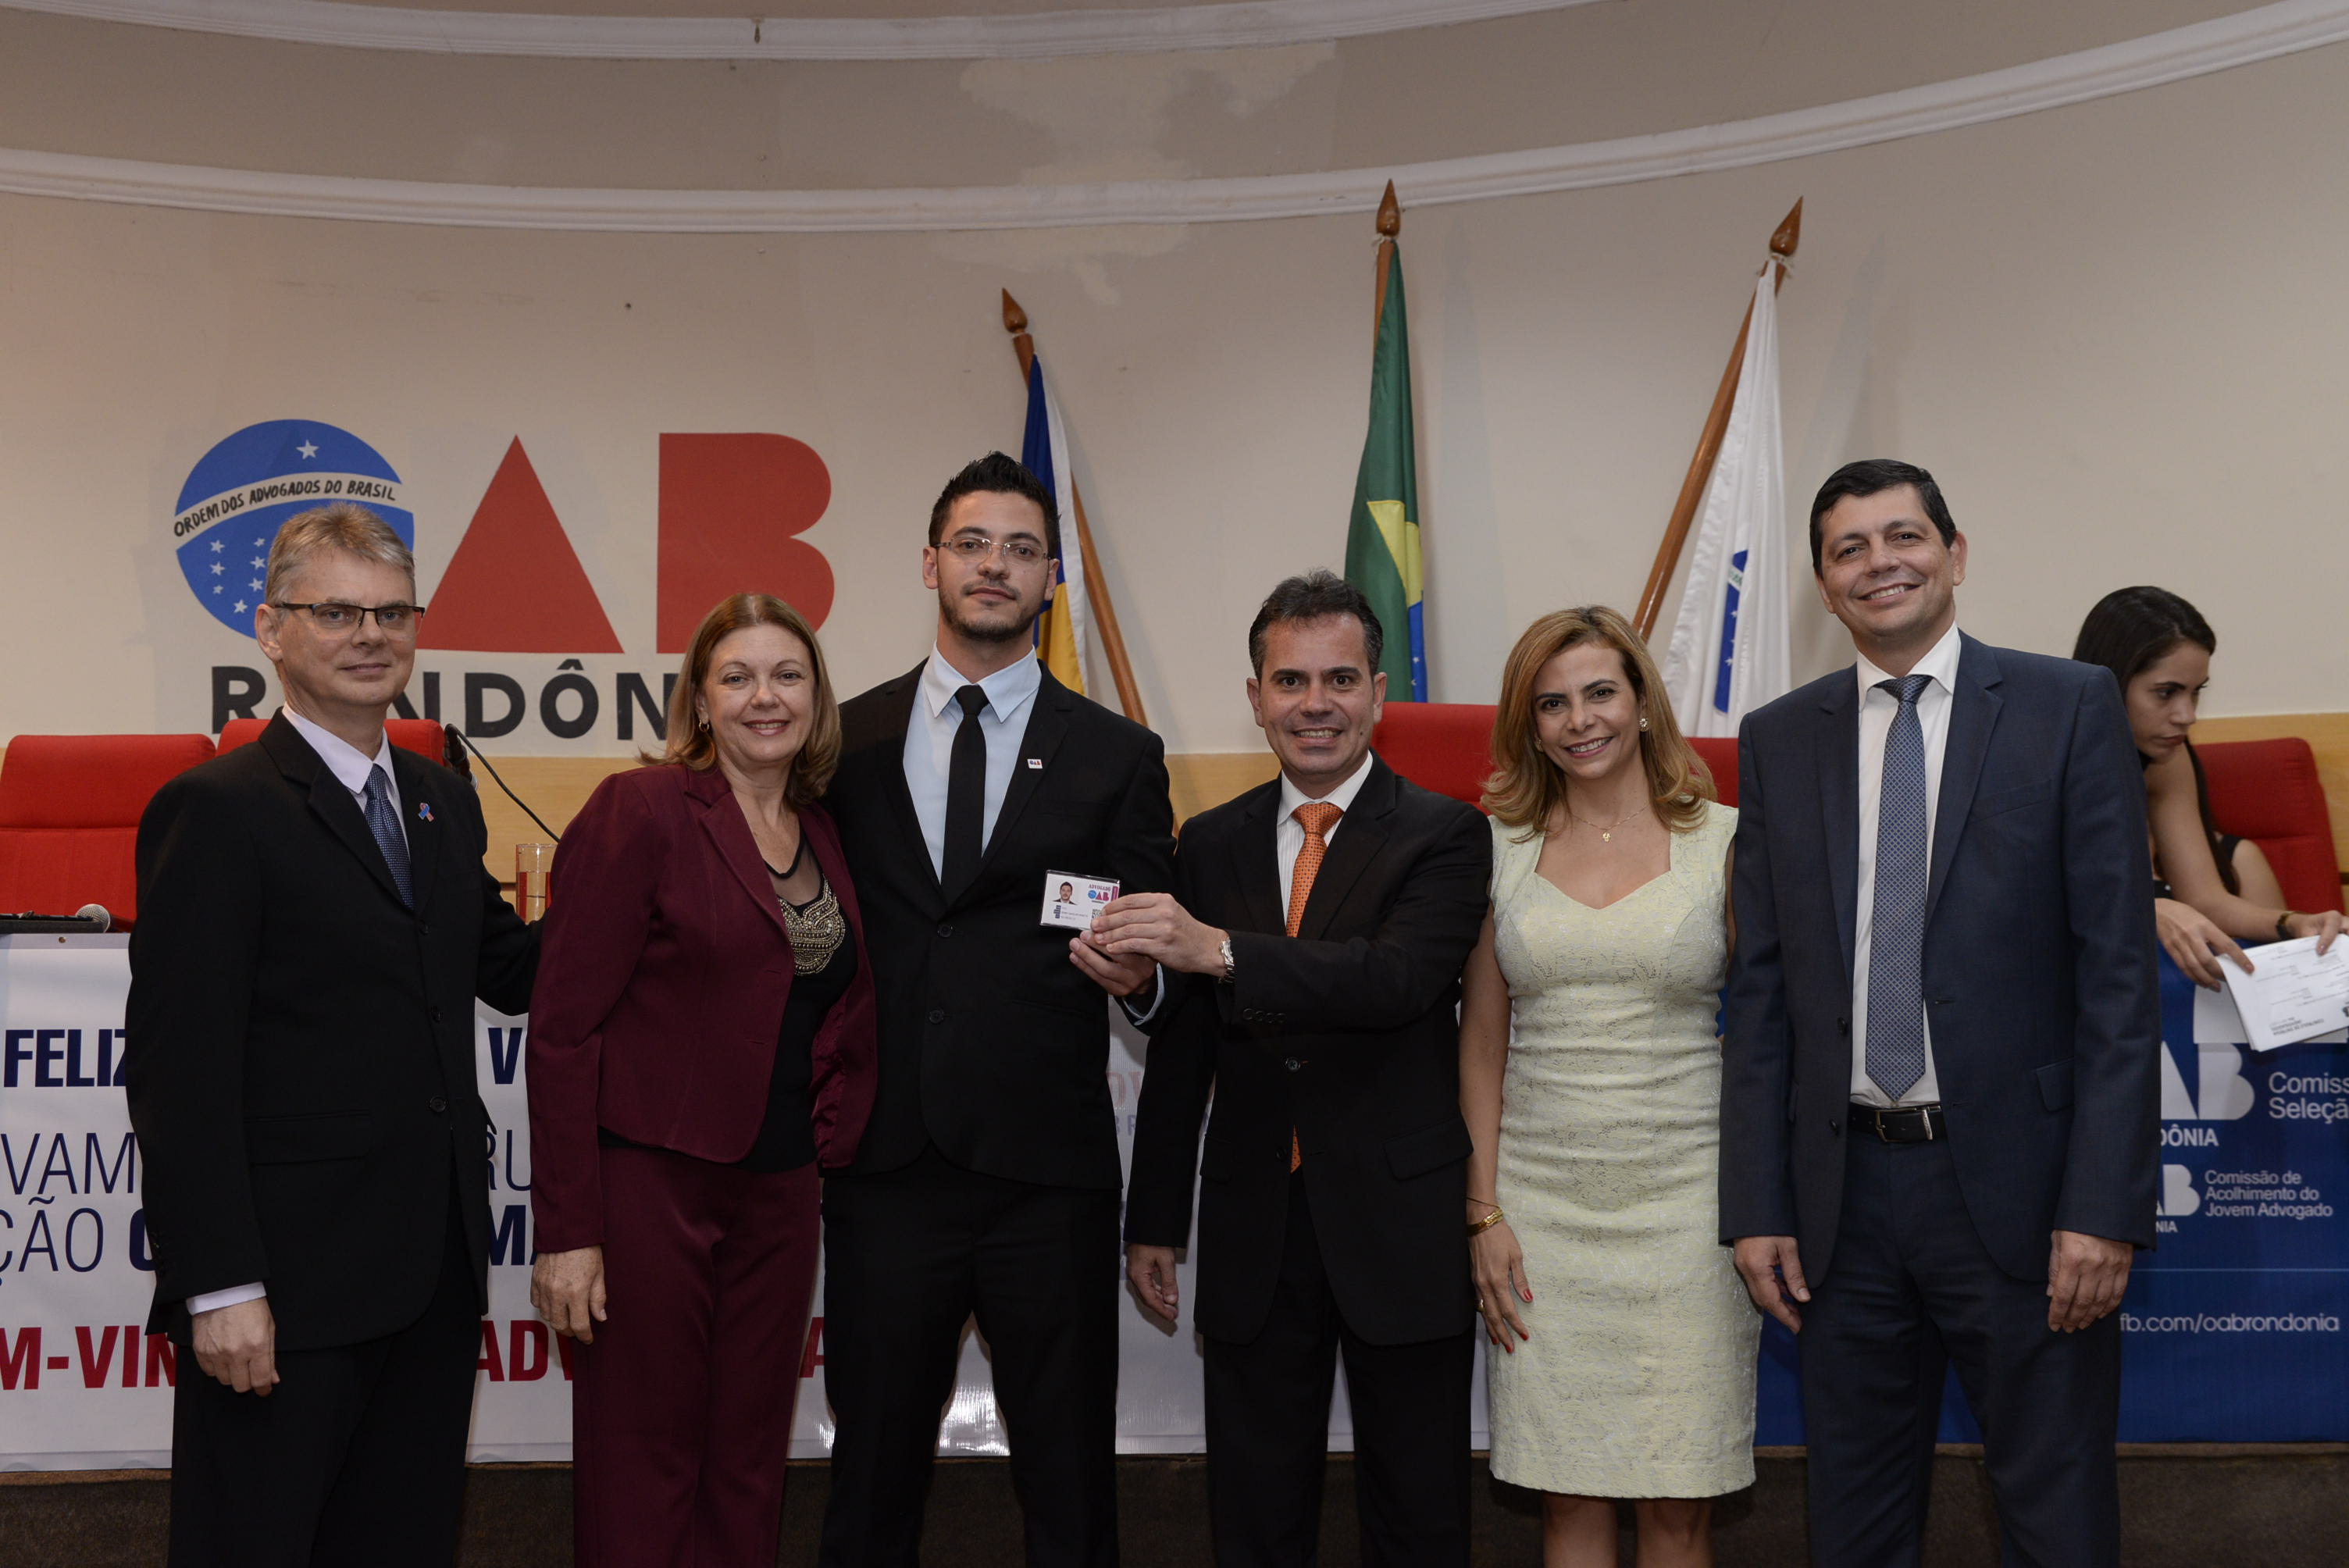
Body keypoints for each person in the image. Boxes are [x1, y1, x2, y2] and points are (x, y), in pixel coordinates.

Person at [1720, 460, 2161, 1566]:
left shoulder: (2067, 705)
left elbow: (2116, 976)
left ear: (1954, 555)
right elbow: (1761, 988)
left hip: (2025, 1194)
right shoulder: (1778, 737)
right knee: (1854, 1526)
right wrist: (1757, 1203)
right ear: (1823, 584)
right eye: (1849, 549)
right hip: (1841, 1203)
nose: (1880, 563)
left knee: (2055, 1518)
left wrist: (2102, 1206)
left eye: (1903, 536)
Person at [125, 502, 538, 1566]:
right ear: (270, 629)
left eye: (392, 613)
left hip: (432, 1274)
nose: (371, 635)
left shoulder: (442, 799)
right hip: (284, 1290)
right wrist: (220, 1284)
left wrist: (673, 874)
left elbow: (513, 970)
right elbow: (179, 1070)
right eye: (338, 612)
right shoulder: (216, 808)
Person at [817, 452, 1175, 1568]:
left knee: (1067, 1482)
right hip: (886, 1168)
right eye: (972, 543)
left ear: (1049, 579)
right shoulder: (841, 741)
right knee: (870, 1479)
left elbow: (1155, 948)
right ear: (930, 563)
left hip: (1045, 1179)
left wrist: (1142, 980)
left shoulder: (1118, 754)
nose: (994, 566)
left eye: (1022, 550)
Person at [1110, 570, 1491, 1568]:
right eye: (1289, 680)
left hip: (1397, 1222)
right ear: (1255, 696)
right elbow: (1184, 1042)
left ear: (1377, 693)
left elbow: (1393, 980)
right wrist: (1154, 1217)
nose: (1314, 704)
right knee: (1254, 1515)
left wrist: (1218, 950)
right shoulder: (1209, 842)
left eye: (1338, 679)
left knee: (1417, 1515)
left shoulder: (1446, 833)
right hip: (1253, 1224)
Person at [526, 593, 877, 1566]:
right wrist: (569, 1232)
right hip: (653, 1188)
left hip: (781, 1192)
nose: (766, 697)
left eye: (788, 675)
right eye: (738, 677)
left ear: (816, 697)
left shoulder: (824, 830)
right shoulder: (640, 810)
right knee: (643, 1462)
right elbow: (561, 1030)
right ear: (699, 699)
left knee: (748, 1460)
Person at [1457, 606, 1756, 1567]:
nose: (1578, 719)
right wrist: (1482, 1212)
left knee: (1678, 1504)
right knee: (1566, 1498)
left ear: (1641, 702)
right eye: (1551, 703)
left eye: (1598, 693)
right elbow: (1481, 1045)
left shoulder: (1725, 839)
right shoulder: (1494, 848)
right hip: (1538, 1216)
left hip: (1689, 1211)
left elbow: (1766, 1033)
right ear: (1528, 723)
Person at [2071, 586, 2342, 988]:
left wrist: (2294, 922)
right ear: (2109, 682)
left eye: (2196, 692)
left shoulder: (2168, 758)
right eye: (2166, 693)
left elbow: (2205, 899)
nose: (2188, 716)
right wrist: (2148, 909)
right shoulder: (2042, 754)